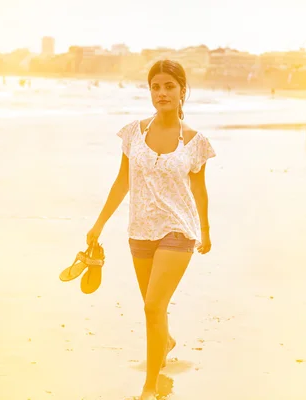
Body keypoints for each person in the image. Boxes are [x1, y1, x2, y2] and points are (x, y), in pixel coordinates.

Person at [85, 59, 215, 400]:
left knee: (151, 307)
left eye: (169, 86)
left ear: (182, 91)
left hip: (178, 229)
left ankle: (149, 386)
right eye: (155, 87)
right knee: (153, 307)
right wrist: (98, 224)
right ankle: (166, 341)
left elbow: (199, 189)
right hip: (140, 230)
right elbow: (121, 182)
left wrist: (205, 229)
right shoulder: (133, 133)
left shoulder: (195, 141)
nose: (161, 93)